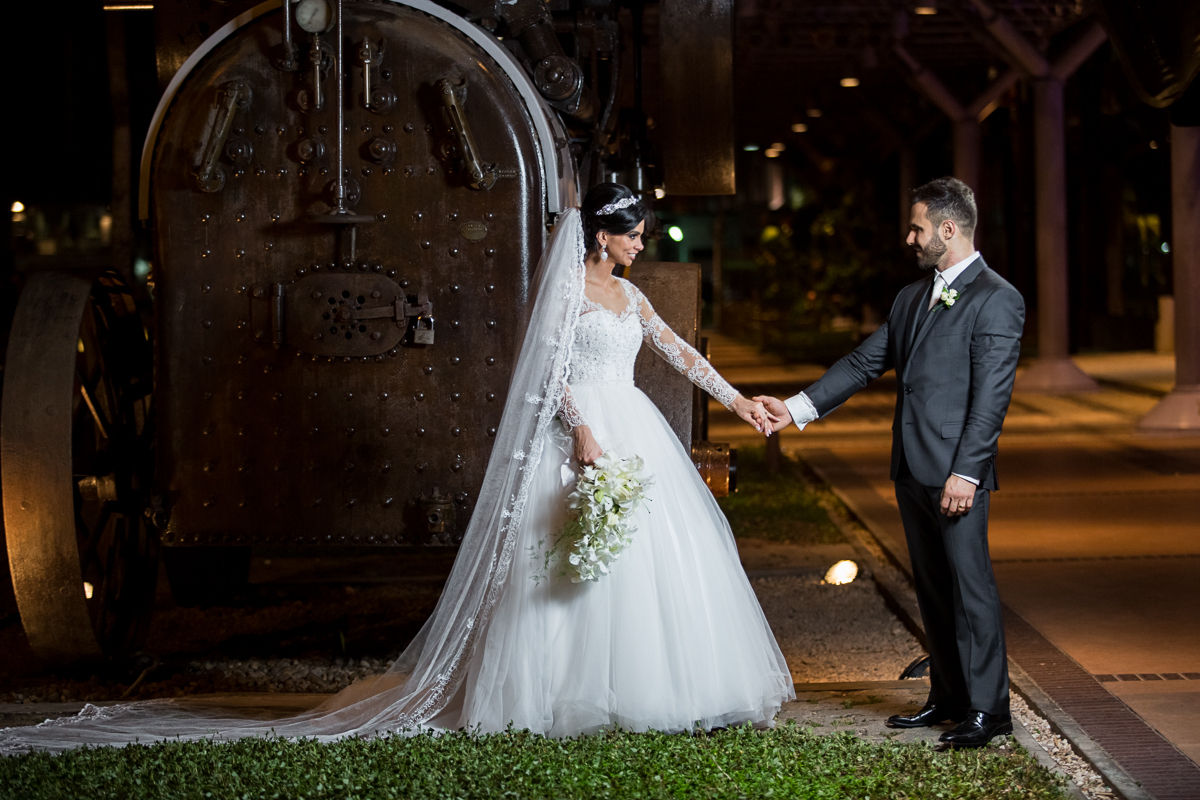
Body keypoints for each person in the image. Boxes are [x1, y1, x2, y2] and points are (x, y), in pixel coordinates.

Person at [1, 184, 793, 753]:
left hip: (635, 426)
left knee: (650, 556)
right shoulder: (566, 294)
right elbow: (547, 371)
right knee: (557, 559)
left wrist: (739, 402)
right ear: (601, 238)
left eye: (642, 237)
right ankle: (559, 692)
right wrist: (582, 431)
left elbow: (678, 354)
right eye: (633, 236)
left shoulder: (632, 297)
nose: (642, 244)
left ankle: (660, 687)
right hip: (581, 427)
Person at [756, 177, 1025, 750]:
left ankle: (989, 710)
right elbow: (862, 364)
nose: (909, 238)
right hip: (911, 468)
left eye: (917, 229)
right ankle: (948, 697)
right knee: (932, 589)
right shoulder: (910, 298)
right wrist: (795, 408)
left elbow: (991, 400)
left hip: (956, 474)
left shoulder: (997, 298)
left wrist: (968, 472)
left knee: (970, 590)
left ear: (947, 229)